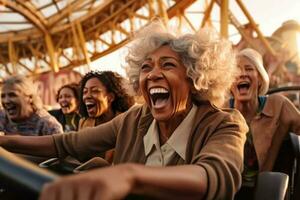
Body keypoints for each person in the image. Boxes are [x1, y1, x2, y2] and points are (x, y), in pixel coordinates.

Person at [0, 20, 247, 200]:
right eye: (145, 67)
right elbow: (66, 144)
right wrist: (6, 143)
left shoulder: (224, 123)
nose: (152, 75)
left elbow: (216, 176)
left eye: (168, 65)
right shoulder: (136, 118)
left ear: (195, 78)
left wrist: (130, 176)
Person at [228, 48, 300, 199]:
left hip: (267, 191)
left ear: (260, 78)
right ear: (228, 82)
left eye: (249, 69)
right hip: (229, 191)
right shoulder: (221, 112)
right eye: (236, 71)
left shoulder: (278, 105)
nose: (242, 74)